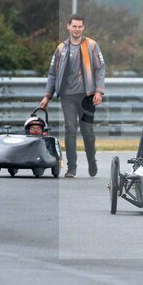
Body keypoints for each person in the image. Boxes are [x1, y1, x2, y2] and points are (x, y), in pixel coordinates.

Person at [39, 14, 105, 178]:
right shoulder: (61, 48)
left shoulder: (92, 45)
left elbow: (100, 68)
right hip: (67, 96)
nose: (76, 29)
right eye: (74, 26)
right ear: (68, 27)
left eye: (79, 26)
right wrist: (47, 96)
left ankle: (92, 160)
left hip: (87, 96)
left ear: (83, 28)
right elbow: (52, 74)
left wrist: (99, 91)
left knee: (87, 132)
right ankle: (71, 168)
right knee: (70, 130)